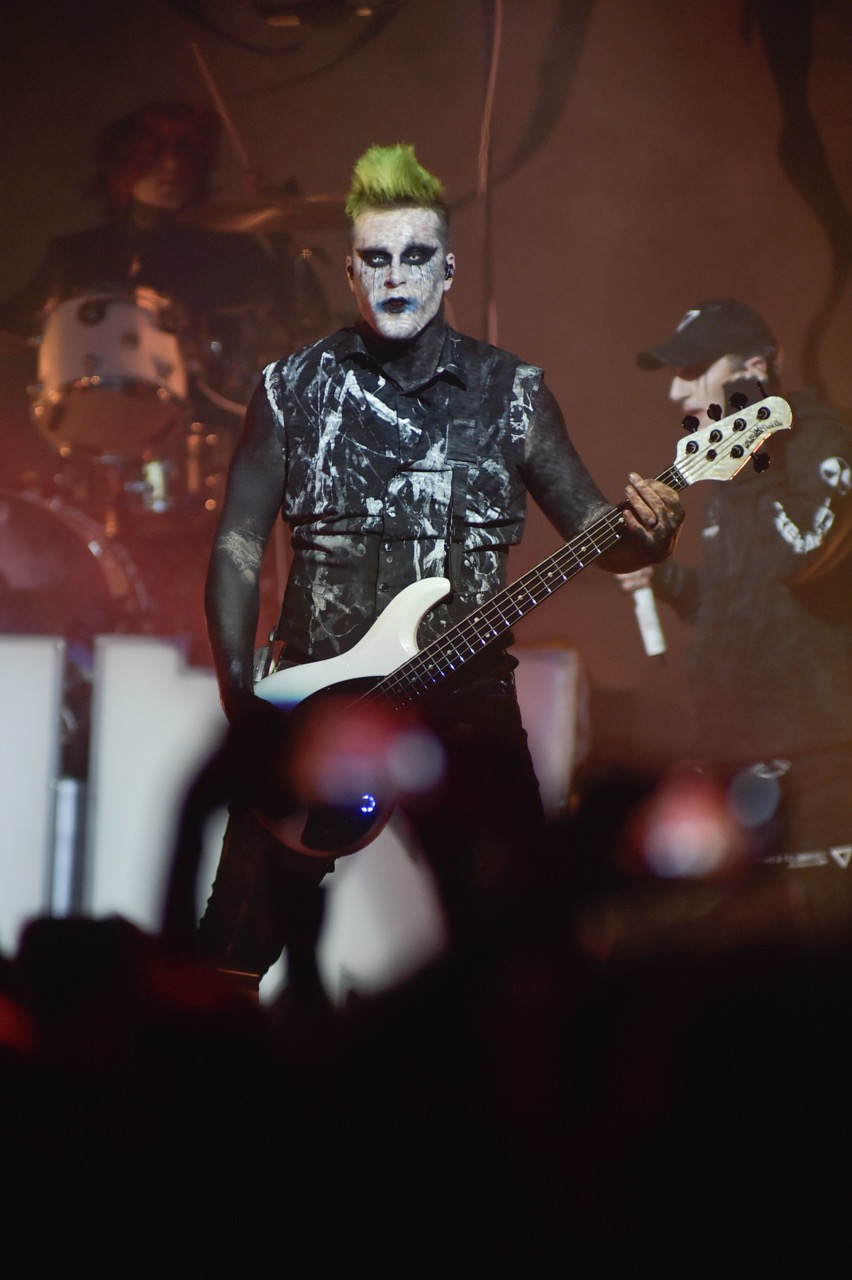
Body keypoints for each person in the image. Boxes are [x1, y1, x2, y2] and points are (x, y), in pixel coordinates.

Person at [198, 142, 684, 1001]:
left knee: (530, 948)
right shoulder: (289, 389)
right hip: (318, 701)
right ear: (351, 271)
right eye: (377, 258)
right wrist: (245, 708)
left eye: (416, 256)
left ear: (447, 269)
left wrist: (652, 535)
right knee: (226, 962)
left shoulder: (513, 393)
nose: (396, 276)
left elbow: (602, 539)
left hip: (467, 702)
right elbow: (238, 545)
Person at [0, 99, 289, 663]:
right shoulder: (75, 255)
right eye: (155, 154)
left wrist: (277, 238)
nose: (172, 167)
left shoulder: (232, 254)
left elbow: (285, 330)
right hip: (88, 450)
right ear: (123, 166)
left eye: (185, 154)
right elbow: (11, 331)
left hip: (204, 446)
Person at [619, 298, 852, 934]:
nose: (677, 392)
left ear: (754, 369)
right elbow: (737, 608)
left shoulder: (819, 439)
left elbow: (800, 553)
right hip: (733, 763)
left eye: (693, 370)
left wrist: (755, 455)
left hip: (818, 769)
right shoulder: (735, 467)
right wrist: (666, 580)